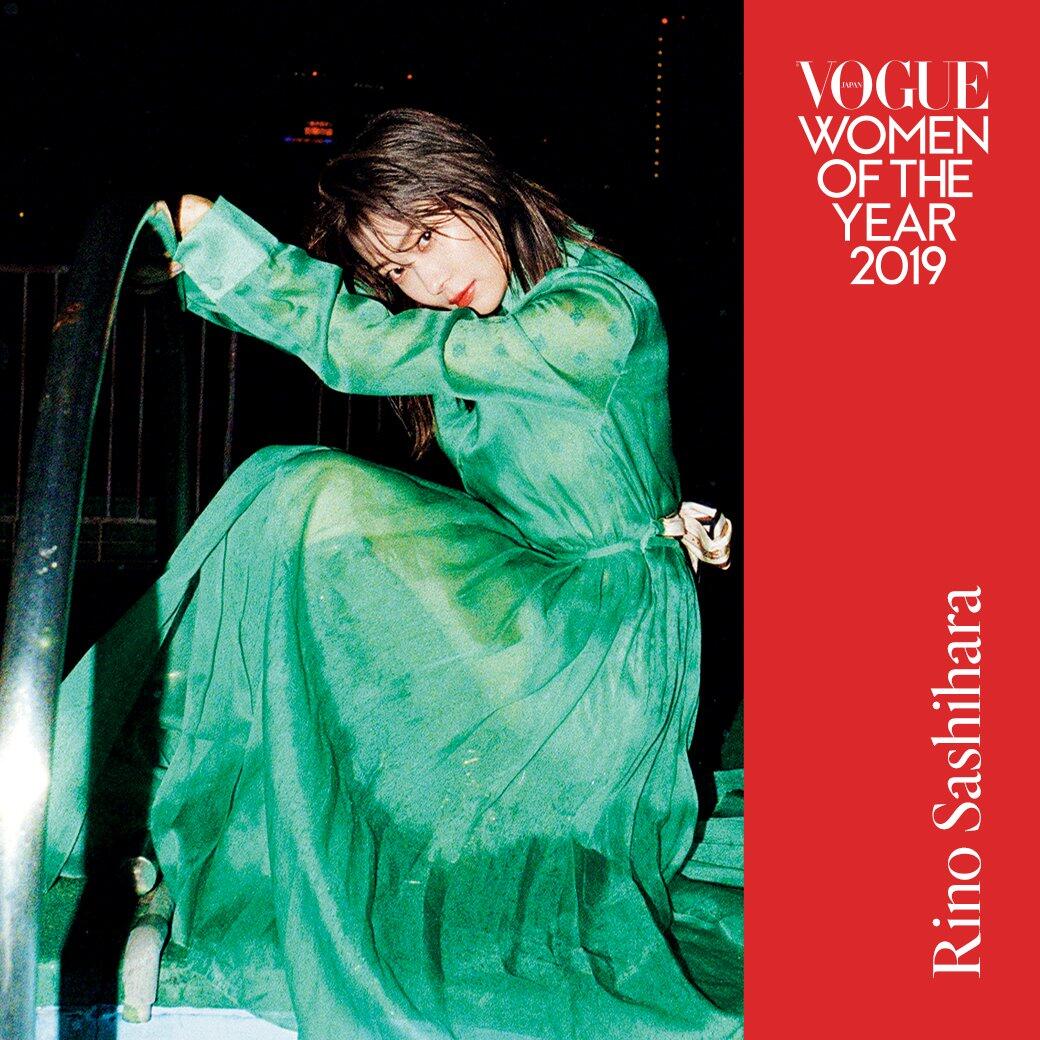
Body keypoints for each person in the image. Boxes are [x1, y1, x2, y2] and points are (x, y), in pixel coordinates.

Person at [44, 108, 739, 1039]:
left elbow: (366, 346)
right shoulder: (507, 302)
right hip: (549, 603)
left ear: (475, 184)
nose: (429, 279)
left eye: (428, 235)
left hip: (596, 650)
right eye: (399, 268)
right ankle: (156, 799)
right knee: (284, 499)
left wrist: (227, 249)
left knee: (308, 497)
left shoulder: (595, 308)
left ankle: (153, 801)